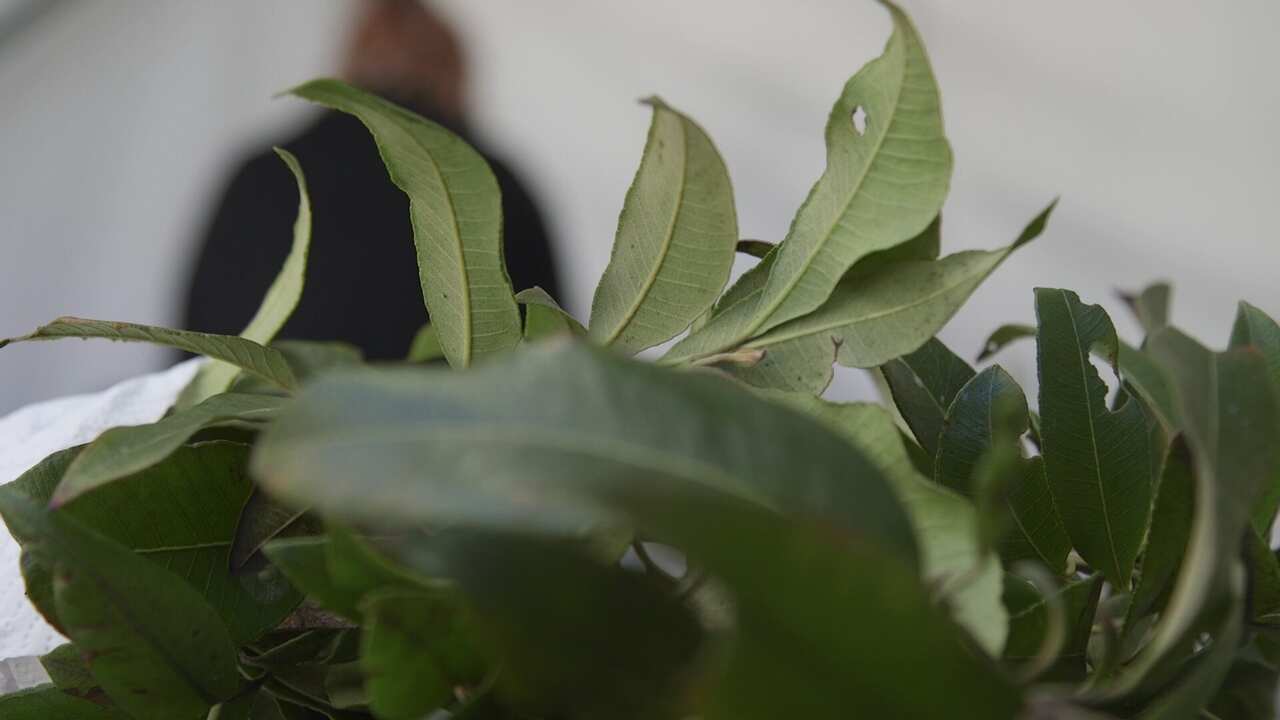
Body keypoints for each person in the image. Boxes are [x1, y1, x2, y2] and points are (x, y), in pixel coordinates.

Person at [183, 0, 560, 360]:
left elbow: (194, 346)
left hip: (275, 405)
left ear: (349, 64)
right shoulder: (497, 189)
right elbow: (556, 352)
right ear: (455, 72)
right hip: (450, 407)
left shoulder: (260, 175)